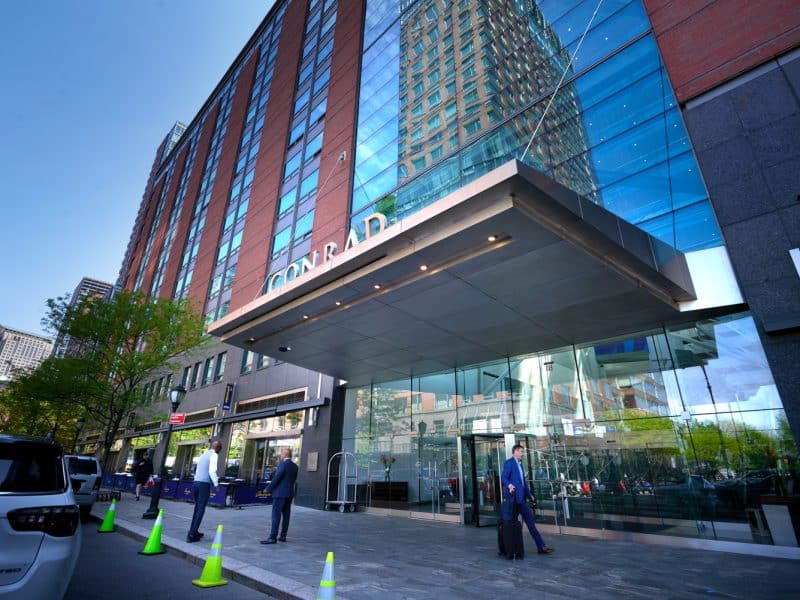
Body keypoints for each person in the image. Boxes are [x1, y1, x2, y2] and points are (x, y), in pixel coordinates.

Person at [501, 444, 554, 555]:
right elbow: (504, 477)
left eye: (522, 451)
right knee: (510, 525)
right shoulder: (509, 463)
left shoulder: (520, 465)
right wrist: (510, 485)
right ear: (515, 451)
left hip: (522, 500)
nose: (522, 454)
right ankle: (506, 548)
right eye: (521, 451)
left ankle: (541, 546)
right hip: (513, 500)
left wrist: (530, 494)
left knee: (530, 523)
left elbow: (523, 482)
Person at [261, 448, 299, 545]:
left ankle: (272, 537)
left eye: (281, 454)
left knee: (276, 515)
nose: (280, 456)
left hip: (279, 494)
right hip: (289, 494)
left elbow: (277, 477)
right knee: (286, 515)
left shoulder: (283, 464)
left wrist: (268, 489)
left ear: (285, 455)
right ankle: (283, 536)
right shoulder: (295, 466)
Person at [187, 439, 221, 543]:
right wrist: (216, 483)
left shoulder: (203, 454)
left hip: (196, 482)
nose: (220, 450)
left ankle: (193, 530)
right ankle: (192, 535)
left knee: (197, 508)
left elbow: (197, 470)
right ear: (217, 448)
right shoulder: (214, 455)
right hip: (204, 484)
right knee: (201, 509)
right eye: (220, 448)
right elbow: (212, 471)